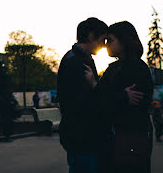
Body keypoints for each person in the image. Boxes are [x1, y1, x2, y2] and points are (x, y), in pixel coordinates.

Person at [57, 18, 144, 173]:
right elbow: (88, 102)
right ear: (91, 36)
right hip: (83, 138)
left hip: (84, 137)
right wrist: (122, 97)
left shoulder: (81, 59)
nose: (105, 45)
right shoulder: (76, 62)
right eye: (104, 39)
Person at [85, 21, 154, 173]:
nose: (106, 45)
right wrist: (122, 96)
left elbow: (135, 102)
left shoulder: (137, 68)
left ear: (124, 41)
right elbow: (101, 99)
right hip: (116, 138)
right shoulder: (114, 68)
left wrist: (100, 89)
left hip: (131, 137)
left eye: (110, 40)